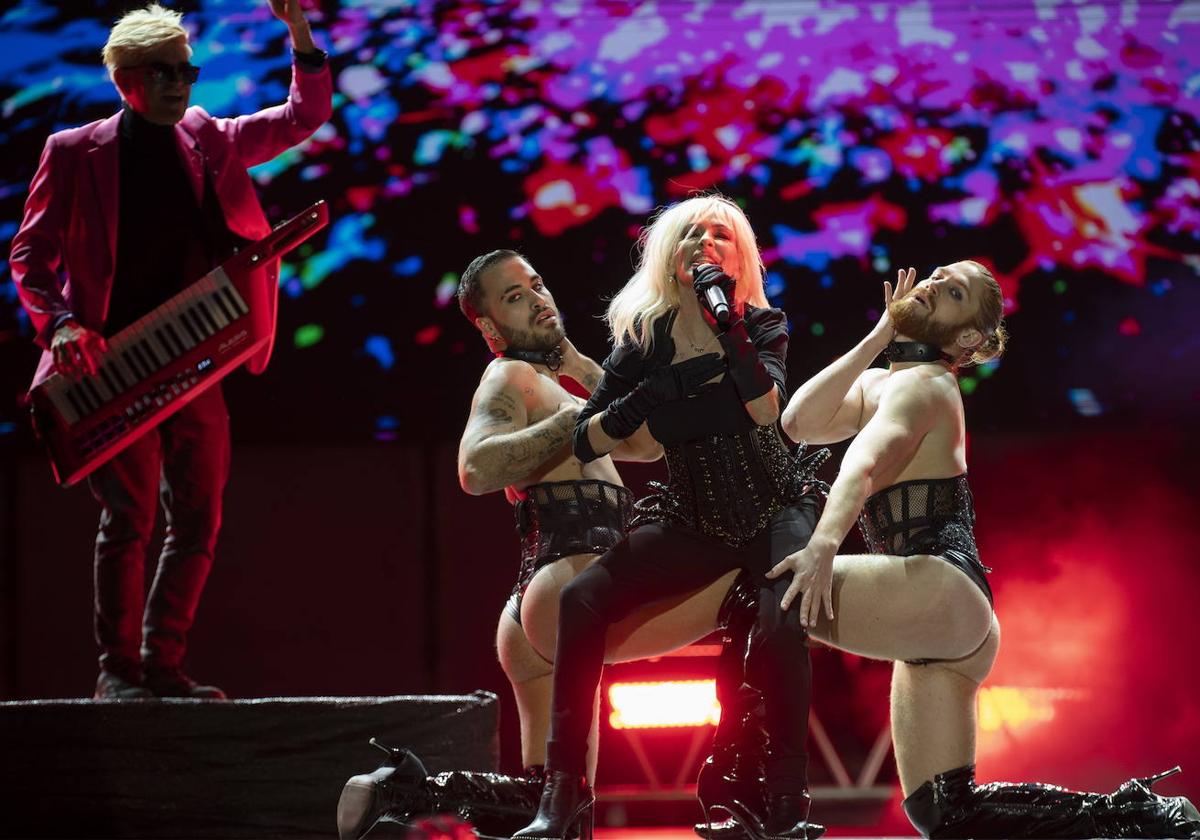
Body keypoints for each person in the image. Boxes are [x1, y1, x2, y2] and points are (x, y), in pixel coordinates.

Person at [757, 261, 1200, 838]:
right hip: (949, 615)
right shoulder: (887, 381)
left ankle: (770, 803)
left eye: (954, 290)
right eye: (939, 274)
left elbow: (860, 468)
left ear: (966, 337)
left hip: (939, 587)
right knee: (944, 812)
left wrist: (821, 547)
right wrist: (880, 335)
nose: (936, 282)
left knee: (765, 591)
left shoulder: (927, 386)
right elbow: (798, 422)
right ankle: (1141, 820)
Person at [335, 249, 746, 840]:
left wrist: (580, 366)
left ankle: (407, 789)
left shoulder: (555, 383)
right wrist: (575, 421)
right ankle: (751, 795)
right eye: (514, 297)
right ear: (488, 325)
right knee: (754, 588)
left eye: (537, 284)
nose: (538, 299)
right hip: (570, 581)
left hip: (544, 601)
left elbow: (648, 444)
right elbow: (475, 469)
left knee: (552, 800)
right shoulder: (511, 377)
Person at [10, 1, 332, 699]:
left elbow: (299, 119)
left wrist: (299, 36)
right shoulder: (74, 151)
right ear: (127, 79)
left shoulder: (206, 136)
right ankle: (117, 672)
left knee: (198, 516)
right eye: (164, 72)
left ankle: (163, 665)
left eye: (187, 69)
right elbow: (30, 252)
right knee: (129, 517)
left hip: (197, 355)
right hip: (111, 360)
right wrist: (61, 324)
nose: (180, 83)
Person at [514, 195, 826, 840]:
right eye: (692, 235)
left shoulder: (764, 323)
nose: (706, 244)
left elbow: (766, 411)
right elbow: (588, 437)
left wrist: (702, 364)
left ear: (741, 257)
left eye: (721, 236)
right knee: (581, 600)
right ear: (671, 255)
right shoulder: (646, 339)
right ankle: (564, 792)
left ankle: (789, 802)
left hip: (777, 508)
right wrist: (662, 391)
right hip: (694, 518)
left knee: (781, 626)